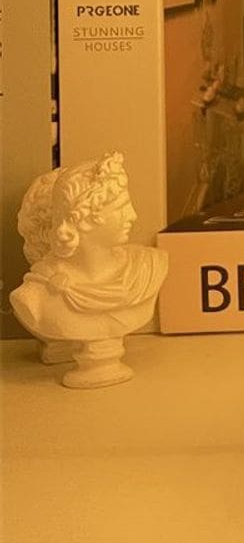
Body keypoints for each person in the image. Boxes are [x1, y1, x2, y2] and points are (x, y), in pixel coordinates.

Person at [11, 152, 168, 387]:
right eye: (120, 208)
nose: (133, 215)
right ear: (82, 219)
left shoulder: (147, 267)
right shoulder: (36, 295)